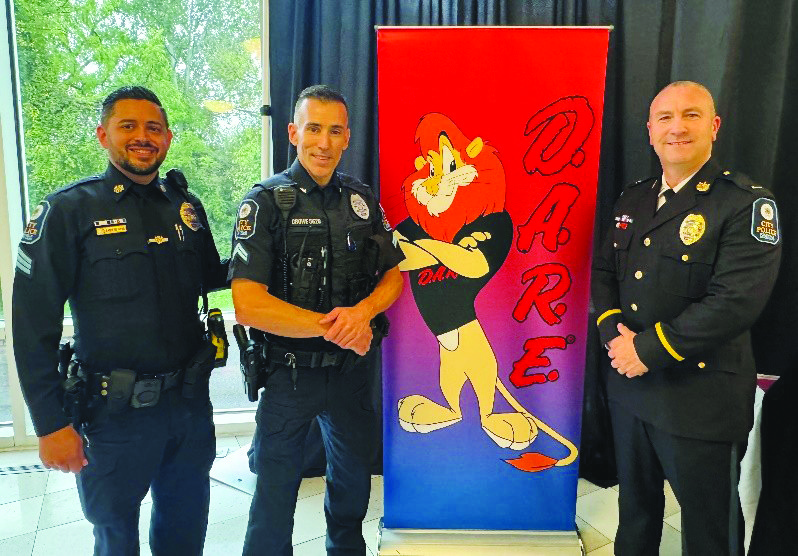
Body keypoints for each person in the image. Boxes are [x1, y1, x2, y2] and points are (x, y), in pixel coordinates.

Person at [12, 86, 229, 556]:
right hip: (114, 416)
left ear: (167, 138)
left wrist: (270, 251)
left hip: (189, 409)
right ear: (103, 135)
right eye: (127, 126)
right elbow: (32, 326)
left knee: (185, 531)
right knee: (115, 539)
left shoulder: (183, 206)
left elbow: (215, 274)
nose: (142, 137)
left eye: (153, 128)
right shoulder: (69, 211)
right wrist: (50, 425)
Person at [592, 81, 781, 555]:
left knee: (710, 527)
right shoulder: (632, 199)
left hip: (701, 396)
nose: (677, 127)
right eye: (665, 118)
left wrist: (645, 350)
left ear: (714, 127)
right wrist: (614, 335)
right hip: (630, 388)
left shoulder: (744, 204)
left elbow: (735, 301)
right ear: (650, 132)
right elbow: (604, 273)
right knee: (635, 513)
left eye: (691, 115)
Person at [230, 84, 404, 556]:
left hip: (351, 376)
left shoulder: (361, 200)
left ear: (347, 137)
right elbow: (247, 303)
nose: (323, 142)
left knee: (351, 486)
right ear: (293, 132)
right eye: (313, 129)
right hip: (289, 375)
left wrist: (364, 312)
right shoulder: (264, 203)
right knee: (274, 492)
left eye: (334, 131)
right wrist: (336, 327)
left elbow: (393, 275)